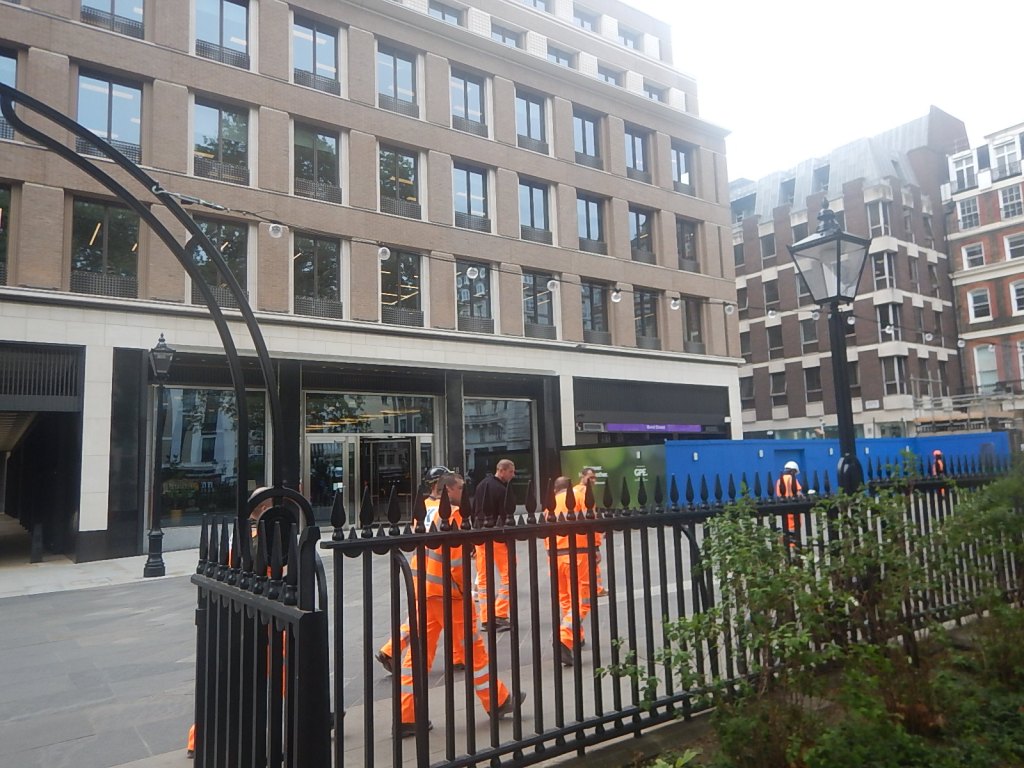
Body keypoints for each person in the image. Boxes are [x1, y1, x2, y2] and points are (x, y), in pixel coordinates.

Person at [391, 470, 522, 737]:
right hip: (450, 595)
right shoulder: (452, 514)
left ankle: (406, 716)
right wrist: (463, 590)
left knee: (417, 655)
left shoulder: (424, 509)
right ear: (448, 489)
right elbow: (456, 560)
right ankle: (497, 701)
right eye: (461, 488)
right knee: (473, 650)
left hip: (423, 588)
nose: (465, 492)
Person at [376, 466, 465, 673]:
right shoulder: (451, 511)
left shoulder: (422, 507)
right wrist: (462, 584)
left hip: (421, 573)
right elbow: (455, 555)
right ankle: (458, 657)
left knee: (425, 621)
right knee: (452, 620)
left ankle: (396, 653)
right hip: (443, 578)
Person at [546, 476, 595, 667]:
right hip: (578, 554)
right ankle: (564, 637)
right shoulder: (580, 497)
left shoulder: (550, 503)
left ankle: (576, 636)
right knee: (584, 601)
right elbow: (592, 523)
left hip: (555, 556)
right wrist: (596, 546)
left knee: (566, 599)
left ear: (555, 489)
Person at [473, 458, 516, 631]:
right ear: (502, 470)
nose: (513, 475)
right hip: (497, 537)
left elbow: (474, 509)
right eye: (511, 471)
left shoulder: (481, 485)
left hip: (480, 534)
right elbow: (505, 516)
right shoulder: (502, 489)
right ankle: (499, 612)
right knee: (509, 573)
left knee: (483, 577)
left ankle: (486, 617)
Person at [573, 467, 606, 597]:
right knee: (591, 563)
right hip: (586, 536)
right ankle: (595, 589)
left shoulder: (574, 490)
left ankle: (596, 588)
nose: (593, 480)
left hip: (576, 534)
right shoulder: (585, 493)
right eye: (590, 477)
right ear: (583, 476)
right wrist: (596, 544)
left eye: (594, 478)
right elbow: (590, 519)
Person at [775, 461, 804, 550]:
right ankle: (793, 545)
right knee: (795, 527)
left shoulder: (779, 481)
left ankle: (785, 542)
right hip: (793, 506)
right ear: (793, 471)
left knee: (786, 526)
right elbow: (798, 493)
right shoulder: (792, 479)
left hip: (784, 507)